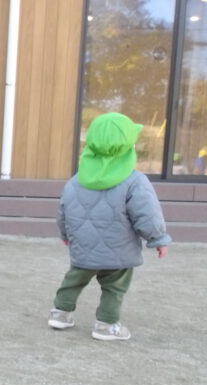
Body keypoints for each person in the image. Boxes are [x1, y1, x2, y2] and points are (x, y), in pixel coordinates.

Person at [47, 112, 172, 341]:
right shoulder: (135, 181)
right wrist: (158, 239)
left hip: (83, 247)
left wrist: (65, 234)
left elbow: (63, 211)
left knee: (74, 278)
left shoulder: (76, 180)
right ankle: (106, 325)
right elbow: (148, 214)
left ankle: (60, 313)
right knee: (115, 287)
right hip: (119, 250)